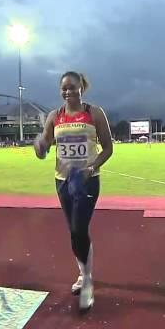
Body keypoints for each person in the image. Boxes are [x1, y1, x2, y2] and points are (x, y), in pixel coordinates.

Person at [33, 71, 113, 311]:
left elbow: (108, 149)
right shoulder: (54, 116)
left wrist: (91, 168)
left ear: (81, 88)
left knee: (79, 229)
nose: (68, 92)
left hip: (87, 180)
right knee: (73, 231)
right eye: (64, 88)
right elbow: (44, 148)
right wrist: (39, 146)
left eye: (72, 87)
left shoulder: (94, 113)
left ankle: (88, 282)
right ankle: (83, 273)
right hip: (62, 181)